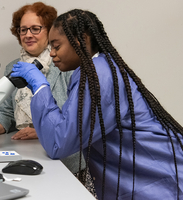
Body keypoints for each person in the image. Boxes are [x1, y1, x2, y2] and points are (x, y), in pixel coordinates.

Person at [11, 9, 183, 200]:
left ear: (81, 40)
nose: (52, 53)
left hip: (161, 183)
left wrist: (40, 87)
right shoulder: (98, 69)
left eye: (56, 46)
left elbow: (59, 143)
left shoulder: (97, 76)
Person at [0, 2, 84, 174]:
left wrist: (40, 131)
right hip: (25, 151)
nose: (28, 35)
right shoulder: (13, 67)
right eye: (23, 29)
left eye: (35, 29)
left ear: (49, 31)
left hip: (65, 158)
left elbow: (74, 116)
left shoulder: (66, 64)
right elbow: (6, 111)